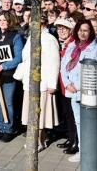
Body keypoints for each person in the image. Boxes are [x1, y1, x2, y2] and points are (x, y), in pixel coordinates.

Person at [60, 19, 97, 163]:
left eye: (86, 30)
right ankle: (82, 151)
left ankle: (90, 152)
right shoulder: (72, 46)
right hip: (73, 91)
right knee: (78, 122)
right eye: (80, 30)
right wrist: (67, 84)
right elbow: (63, 67)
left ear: (90, 32)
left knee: (89, 123)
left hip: (88, 92)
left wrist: (77, 86)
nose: (82, 33)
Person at [17, 13, 60, 150]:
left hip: (43, 82)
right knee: (31, 112)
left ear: (42, 24)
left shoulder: (50, 39)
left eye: (34, 22)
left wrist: (52, 84)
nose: (31, 25)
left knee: (40, 114)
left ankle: (39, 141)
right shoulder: (31, 37)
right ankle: (39, 139)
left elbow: (55, 62)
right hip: (30, 81)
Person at [0, 11, 24, 142]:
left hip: (8, 74)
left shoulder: (16, 36)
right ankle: (1, 127)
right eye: (0, 20)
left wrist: (3, 66)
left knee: (7, 103)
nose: (2, 22)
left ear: (10, 21)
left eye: (4, 20)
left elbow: (18, 57)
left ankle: (9, 129)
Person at [53, 17, 78, 153]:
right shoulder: (60, 43)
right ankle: (70, 137)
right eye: (59, 28)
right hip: (62, 84)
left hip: (70, 85)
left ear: (70, 30)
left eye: (64, 29)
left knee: (73, 114)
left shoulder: (73, 44)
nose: (61, 31)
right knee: (67, 113)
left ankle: (76, 141)